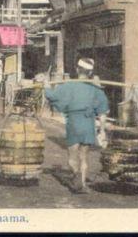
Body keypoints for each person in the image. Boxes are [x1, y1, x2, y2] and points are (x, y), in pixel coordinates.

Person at [43, 58, 109, 193]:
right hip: (88, 124)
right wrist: (102, 131)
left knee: (72, 156)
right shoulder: (96, 89)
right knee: (84, 157)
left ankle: (76, 176)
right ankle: (83, 184)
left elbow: (52, 96)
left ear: (77, 70)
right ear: (90, 73)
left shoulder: (69, 85)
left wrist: (46, 85)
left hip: (74, 122)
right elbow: (103, 112)